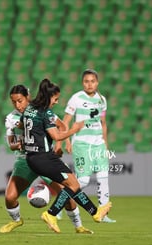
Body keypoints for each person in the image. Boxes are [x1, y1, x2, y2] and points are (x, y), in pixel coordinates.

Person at [0, 84, 93, 234]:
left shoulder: (41, 111)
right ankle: (16, 221)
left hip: (44, 159)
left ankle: (78, 226)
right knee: (10, 197)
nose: (18, 105)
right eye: (14, 102)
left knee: (67, 193)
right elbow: (11, 144)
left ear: (27, 97)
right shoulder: (11, 118)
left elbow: (62, 126)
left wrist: (59, 145)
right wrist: (20, 143)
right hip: (25, 160)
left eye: (20, 100)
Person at [23, 78, 112, 233]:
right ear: (49, 97)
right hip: (44, 157)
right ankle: (51, 214)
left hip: (32, 157)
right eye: (56, 99)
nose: (56, 102)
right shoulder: (46, 112)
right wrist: (74, 129)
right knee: (73, 185)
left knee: (72, 186)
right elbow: (56, 136)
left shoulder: (30, 109)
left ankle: (95, 213)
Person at [62, 69, 116, 223]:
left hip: (98, 144)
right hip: (82, 143)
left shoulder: (102, 100)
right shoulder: (76, 98)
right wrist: (66, 140)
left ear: (97, 82)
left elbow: (103, 123)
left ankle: (103, 213)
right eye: (86, 81)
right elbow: (65, 122)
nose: (89, 84)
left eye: (92, 81)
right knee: (83, 181)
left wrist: (105, 144)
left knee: (103, 177)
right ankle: (60, 205)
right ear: (82, 83)